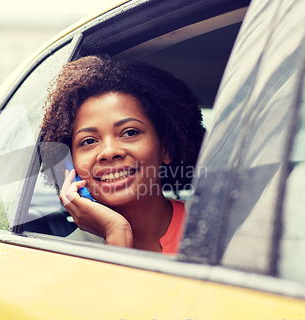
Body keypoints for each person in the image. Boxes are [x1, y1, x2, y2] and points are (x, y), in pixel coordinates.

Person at [40, 55, 205, 253]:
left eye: (129, 132)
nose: (109, 152)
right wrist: (116, 232)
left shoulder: (214, 230)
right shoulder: (65, 255)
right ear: (70, 166)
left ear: (166, 148)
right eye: (89, 141)